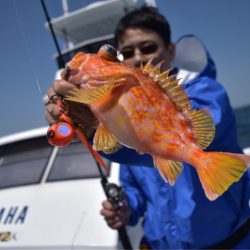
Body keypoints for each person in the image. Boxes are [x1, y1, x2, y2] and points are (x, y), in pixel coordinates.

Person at [45, 6, 250, 249]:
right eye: (127, 52)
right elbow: (135, 182)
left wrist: (98, 124)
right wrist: (127, 209)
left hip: (226, 243)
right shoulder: (118, 103)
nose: (139, 57)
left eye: (149, 47)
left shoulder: (206, 91)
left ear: (171, 50)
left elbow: (146, 145)